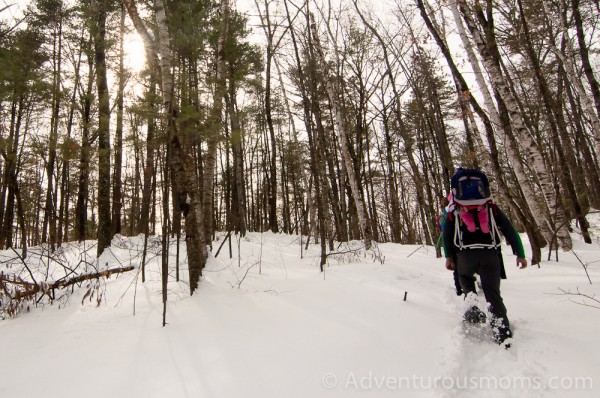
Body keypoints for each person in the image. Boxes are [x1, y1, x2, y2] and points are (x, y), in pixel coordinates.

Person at [442, 169, 527, 348]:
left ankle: (473, 312)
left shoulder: (454, 211)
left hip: (464, 255)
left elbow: (447, 235)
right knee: (493, 293)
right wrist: (520, 254)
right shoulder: (491, 209)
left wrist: (449, 257)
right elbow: (510, 231)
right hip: (490, 255)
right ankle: (502, 333)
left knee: (465, 279)